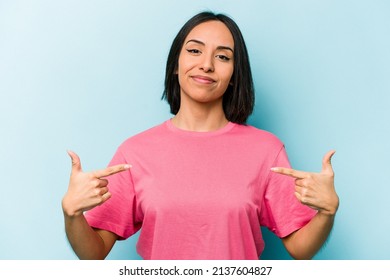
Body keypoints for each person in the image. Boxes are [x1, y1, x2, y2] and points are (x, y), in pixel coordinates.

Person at [62, 11, 339, 260]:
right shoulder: (134, 152)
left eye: (222, 56)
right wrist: (72, 214)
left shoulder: (266, 150)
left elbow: (300, 249)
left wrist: (326, 213)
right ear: (176, 64)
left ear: (234, 75)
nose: (206, 64)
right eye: (195, 51)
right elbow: (93, 252)